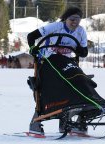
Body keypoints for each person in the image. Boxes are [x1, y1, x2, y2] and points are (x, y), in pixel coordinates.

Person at [27, 7, 88, 136]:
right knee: (55, 86)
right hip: (48, 60)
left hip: (66, 62)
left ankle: (70, 118)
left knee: (80, 81)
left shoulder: (81, 31)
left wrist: (81, 50)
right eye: (72, 19)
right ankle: (36, 121)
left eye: (77, 20)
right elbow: (31, 36)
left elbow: (84, 51)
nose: (74, 23)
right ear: (66, 19)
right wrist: (33, 48)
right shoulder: (55, 27)